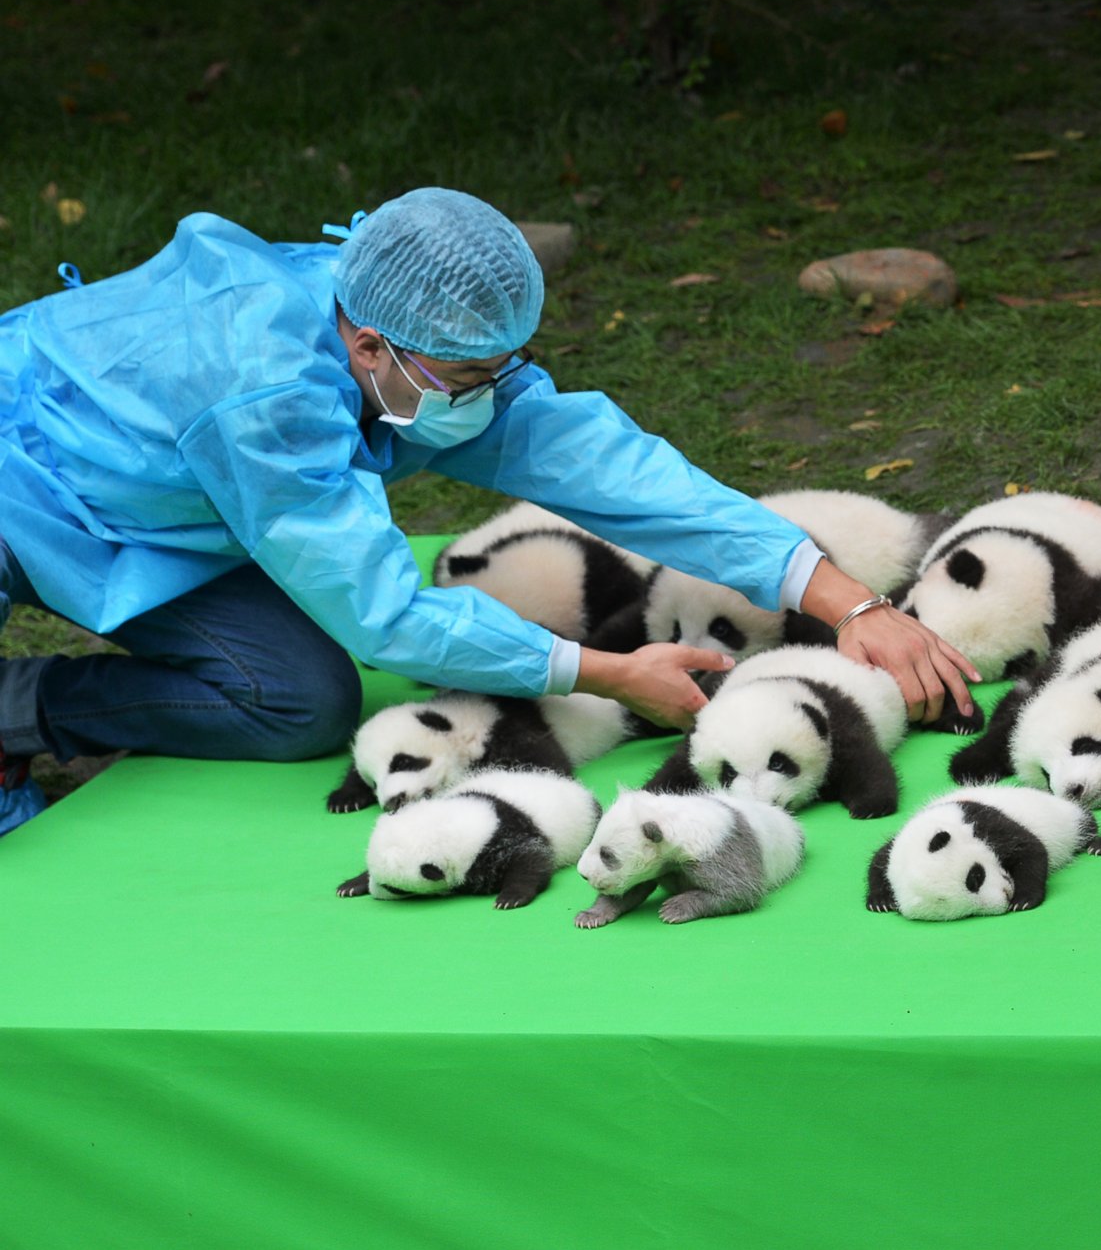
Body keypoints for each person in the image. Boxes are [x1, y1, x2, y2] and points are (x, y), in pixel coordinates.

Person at [0, 190, 977, 837]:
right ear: (371, 348)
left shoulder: (397, 339)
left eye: (502, 368)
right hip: (20, 480)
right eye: (469, 376)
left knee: (302, 703)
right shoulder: (266, 402)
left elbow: (616, 470)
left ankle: (19, 710)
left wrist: (852, 602)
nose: (492, 393)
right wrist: (606, 673)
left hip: (159, 495)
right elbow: (381, 614)